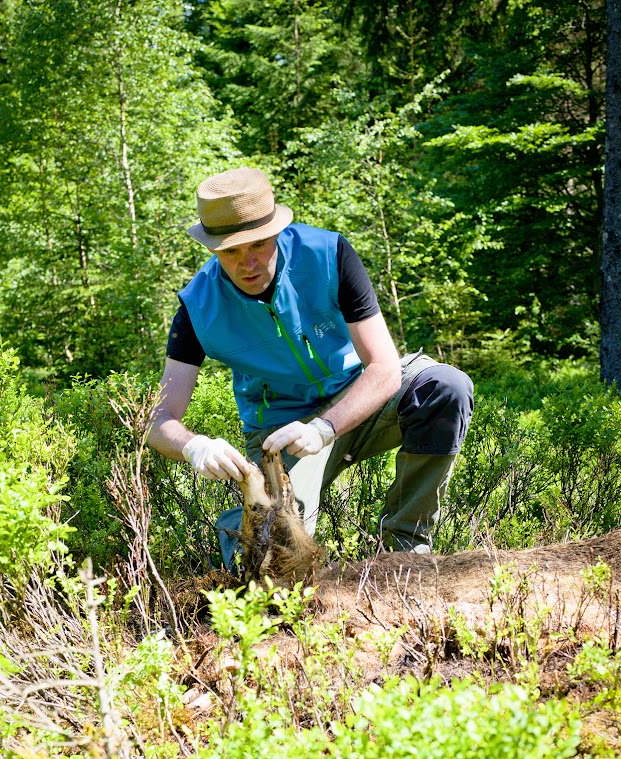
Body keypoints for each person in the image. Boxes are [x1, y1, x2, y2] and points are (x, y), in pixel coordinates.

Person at [147, 166, 473, 568]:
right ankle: (244, 555)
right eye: (231, 251)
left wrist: (323, 428)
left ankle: (406, 552)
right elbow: (158, 419)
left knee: (445, 386)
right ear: (212, 248)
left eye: (259, 245)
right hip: (280, 435)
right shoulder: (198, 307)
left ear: (277, 231)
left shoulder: (328, 254)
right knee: (274, 552)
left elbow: (385, 367)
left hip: (361, 398)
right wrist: (194, 446)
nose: (248, 263)